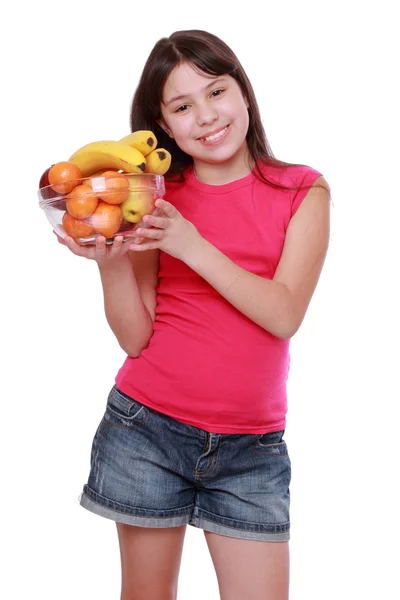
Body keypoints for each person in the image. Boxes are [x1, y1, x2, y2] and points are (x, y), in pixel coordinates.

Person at [57, 29, 330, 600]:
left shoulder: (302, 191)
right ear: (162, 126)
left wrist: (192, 244)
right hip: (146, 429)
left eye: (216, 92)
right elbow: (136, 338)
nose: (206, 117)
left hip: (252, 451)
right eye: (182, 107)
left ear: (244, 94)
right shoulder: (153, 196)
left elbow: (284, 315)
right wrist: (110, 267)